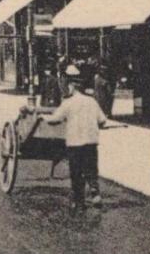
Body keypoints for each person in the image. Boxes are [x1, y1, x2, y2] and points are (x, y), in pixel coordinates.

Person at [42, 65, 107, 210]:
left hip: (75, 143)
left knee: (76, 172)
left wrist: (43, 118)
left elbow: (55, 119)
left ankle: (79, 201)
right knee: (91, 169)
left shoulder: (68, 103)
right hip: (91, 142)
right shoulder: (92, 101)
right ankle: (95, 192)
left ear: (72, 87)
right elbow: (102, 121)